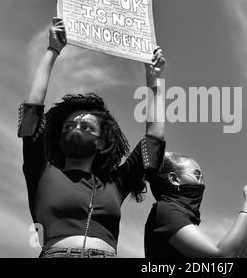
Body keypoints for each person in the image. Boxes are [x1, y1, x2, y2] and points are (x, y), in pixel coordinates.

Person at [17, 17, 167, 258]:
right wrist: (52, 50)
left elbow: (153, 141)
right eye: (70, 125)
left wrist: (155, 83)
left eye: (86, 125)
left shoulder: (115, 183)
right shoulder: (42, 171)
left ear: (101, 142)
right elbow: (32, 111)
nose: (77, 125)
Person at [144, 152, 247, 258]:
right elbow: (222, 256)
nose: (202, 183)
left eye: (202, 177)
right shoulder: (164, 209)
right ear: (174, 179)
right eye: (197, 176)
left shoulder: (176, 213)